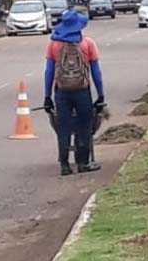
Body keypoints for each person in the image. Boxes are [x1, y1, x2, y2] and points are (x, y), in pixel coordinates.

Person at [43, 10, 105, 176]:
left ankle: (64, 165)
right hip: (82, 91)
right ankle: (82, 163)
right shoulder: (88, 43)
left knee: (63, 127)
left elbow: (49, 72)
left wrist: (47, 96)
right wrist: (100, 95)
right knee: (84, 126)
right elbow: (96, 72)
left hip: (61, 91)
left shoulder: (54, 45)